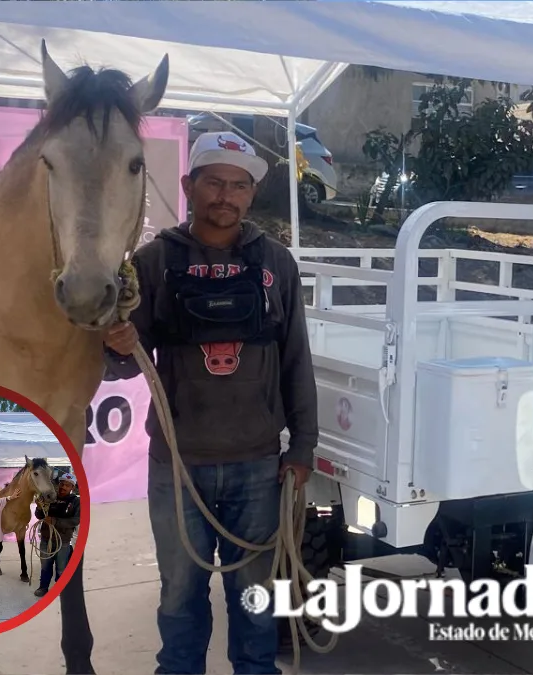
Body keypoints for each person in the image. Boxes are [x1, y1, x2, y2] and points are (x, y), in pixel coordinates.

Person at [102, 130, 319, 675]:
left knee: (255, 598)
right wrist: (117, 344)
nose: (226, 196)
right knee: (179, 595)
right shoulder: (152, 263)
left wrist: (303, 447)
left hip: (258, 462)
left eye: (238, 186)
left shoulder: (277, 264)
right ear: (189, 185)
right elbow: (127, 365)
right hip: (178, 466)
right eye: (214, 183)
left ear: (251, 195)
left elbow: (296, 357)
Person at [33, 472, 81, 598]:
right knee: (45, 565)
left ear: (72, 488)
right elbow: (39, 516)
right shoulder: (50, 498)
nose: (63, 487)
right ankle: (43, 587)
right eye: (62, 483)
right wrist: (39, 508)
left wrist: (55, 521)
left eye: (68, 485)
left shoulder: (75, 501)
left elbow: (76, 520)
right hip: (46, 538)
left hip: (63, 541)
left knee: (61, 568)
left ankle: (60, 590)